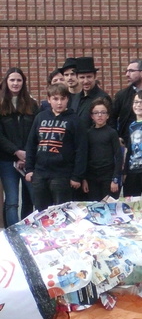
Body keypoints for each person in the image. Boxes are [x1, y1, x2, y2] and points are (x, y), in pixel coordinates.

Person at [25, 83, 87, 210]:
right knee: (41, 212)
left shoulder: (75, 120)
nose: (59, 103)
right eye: (55, 99)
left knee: (61, 211)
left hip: (62, 174)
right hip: (40, 173)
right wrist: (29, 169)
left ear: (67, 99)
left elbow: (81, 149)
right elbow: (31, 144)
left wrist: (76, 176)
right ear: (48, 99)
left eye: (62, 99)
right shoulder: (40, 117)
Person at [0, 67, 39, 226]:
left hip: (29, 160)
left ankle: (29, 232)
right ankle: (13, 233)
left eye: (19, 80)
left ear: (23, 83)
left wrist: (26, 154)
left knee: (34, 198)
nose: (15, 83)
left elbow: (35, 131)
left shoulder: (32, 104)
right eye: (12, 80)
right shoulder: (1, 104)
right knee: (12, 201)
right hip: (7, 160)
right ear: (6, 82)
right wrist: (16, 151)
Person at [82, 98, 122, 201]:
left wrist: (115, 179)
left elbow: (118, 156)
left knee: (109, 206)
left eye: (103, 112)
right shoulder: (88, 133)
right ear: (92, 116)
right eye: (96, 113)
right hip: (92, 177)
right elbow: (84, 157)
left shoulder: (112, 133)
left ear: (108, 115)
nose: (99, 115)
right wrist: (84, 179)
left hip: (108, 176)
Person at [72, 57, 112, 128]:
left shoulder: (103, 98)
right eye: (82, 77)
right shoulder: (75, 97)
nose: (86, 81)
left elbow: (109, 124)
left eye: (89, 77)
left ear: (95, 76)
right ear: (77, 78)